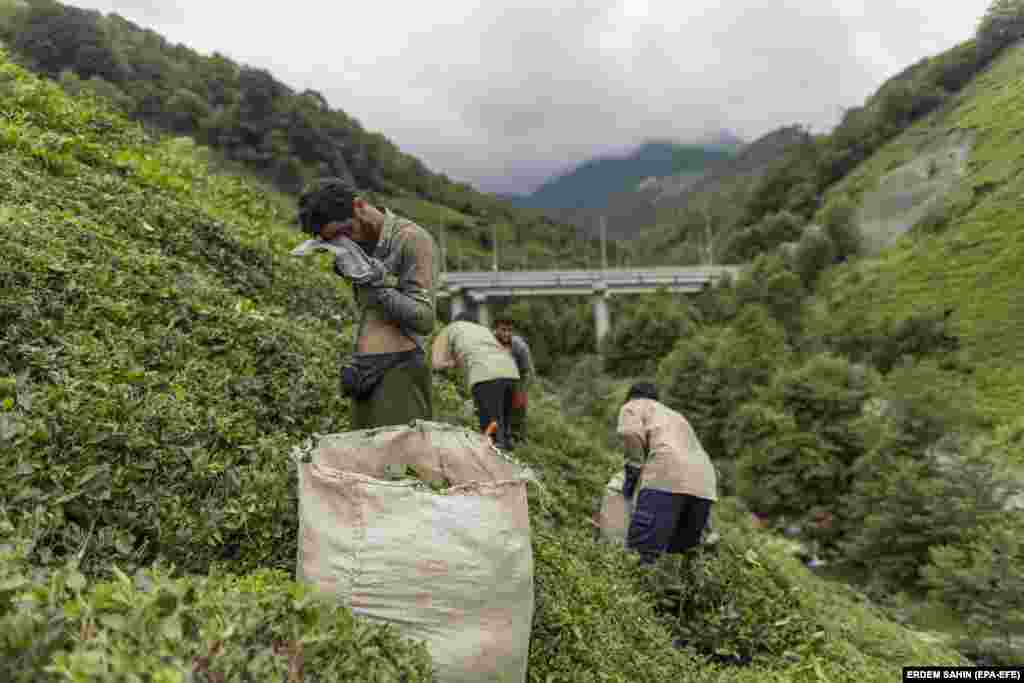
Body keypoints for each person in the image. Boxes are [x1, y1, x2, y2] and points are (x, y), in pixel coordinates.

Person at [295, 177, 438, 429]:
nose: (347, 241)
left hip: (399, 370)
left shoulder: (411, 239)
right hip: (362, 369)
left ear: (360, 206)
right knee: (362, 463)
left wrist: (374, 284)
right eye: (335, 239)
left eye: (347, 231)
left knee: (397, 464)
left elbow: (425, 319)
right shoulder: (355, 247)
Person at [617, 382, 718, 565]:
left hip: (667, 477)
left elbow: (630, 433)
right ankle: (676, 591)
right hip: (705, 483)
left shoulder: (632, 407)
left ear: (631, 397)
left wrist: (631, 479)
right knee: (678, 555)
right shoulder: (675, 416)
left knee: (642, 552)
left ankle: (636, 589)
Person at [432, 312, 520, 449]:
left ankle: (493, 465)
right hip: (511, 374)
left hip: (486, 377)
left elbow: (436, 364)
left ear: (455, 322)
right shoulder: (484, 331)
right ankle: (508, 461)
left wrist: (451, 363)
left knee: (491, 435)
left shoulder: (449, 329)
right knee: (504, 432)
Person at [493, 316, 535, 446]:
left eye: (509, 330)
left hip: (516, 379)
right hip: (493, 377)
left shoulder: (519, 347)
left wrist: (522, 392)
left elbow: (529, 372)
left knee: (518, 402)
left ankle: (517, 437)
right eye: (503, 330)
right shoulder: (487, 342)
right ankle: (497, 436)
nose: (506, 334)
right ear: (496, 330)